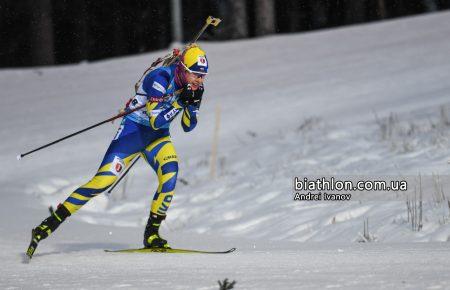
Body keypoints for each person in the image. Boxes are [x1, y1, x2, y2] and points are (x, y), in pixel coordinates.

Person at [29, 44, 208, 251]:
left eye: (203, 76)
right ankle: (48, 224)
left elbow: (188, 126)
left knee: (170, 176)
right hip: (132, 133)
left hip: (157, 138)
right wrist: (179, 104)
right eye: (195, 74)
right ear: (183, 69)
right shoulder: (160, 78)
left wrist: (191, 106)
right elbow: (155, 121)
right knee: (101, 182)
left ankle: (151, 234)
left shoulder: (196, 87)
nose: (199, 80)